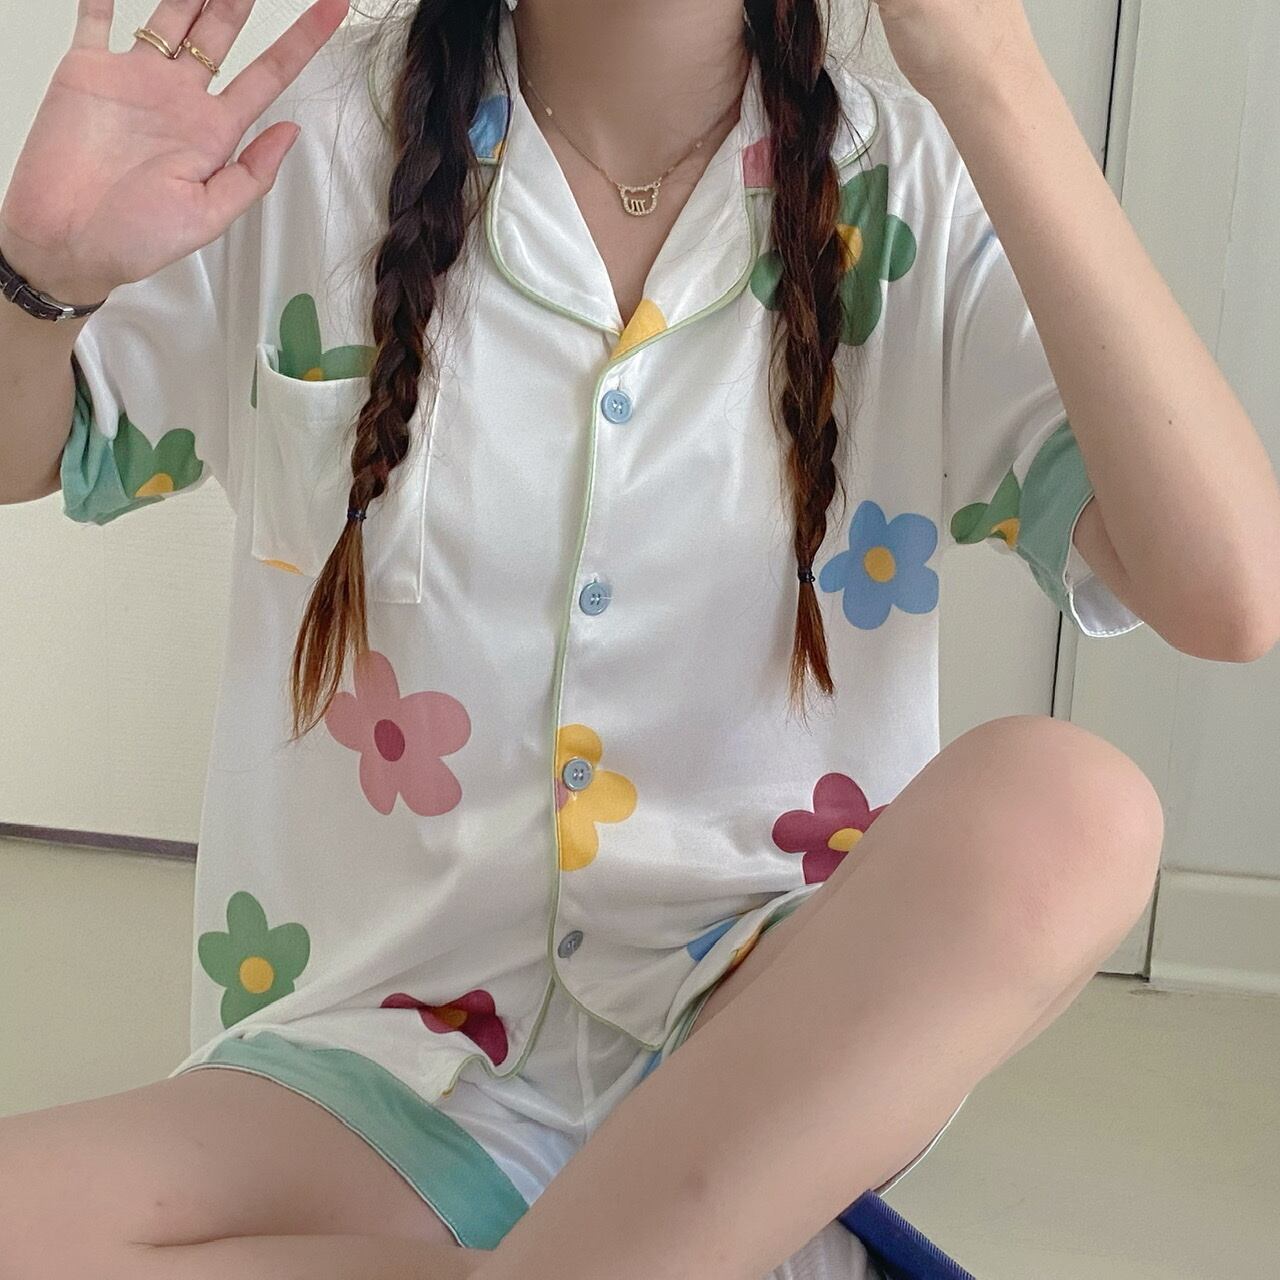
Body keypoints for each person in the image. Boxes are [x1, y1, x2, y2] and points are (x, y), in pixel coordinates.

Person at [1, 0, 1277, 1277]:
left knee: (1073, 808)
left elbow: (1225, 591)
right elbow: (39, 444)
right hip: (381, 1049)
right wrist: (37, 276)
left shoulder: (907, 183)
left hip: (768, 1041)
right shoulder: (312, 140)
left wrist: (992, 73)